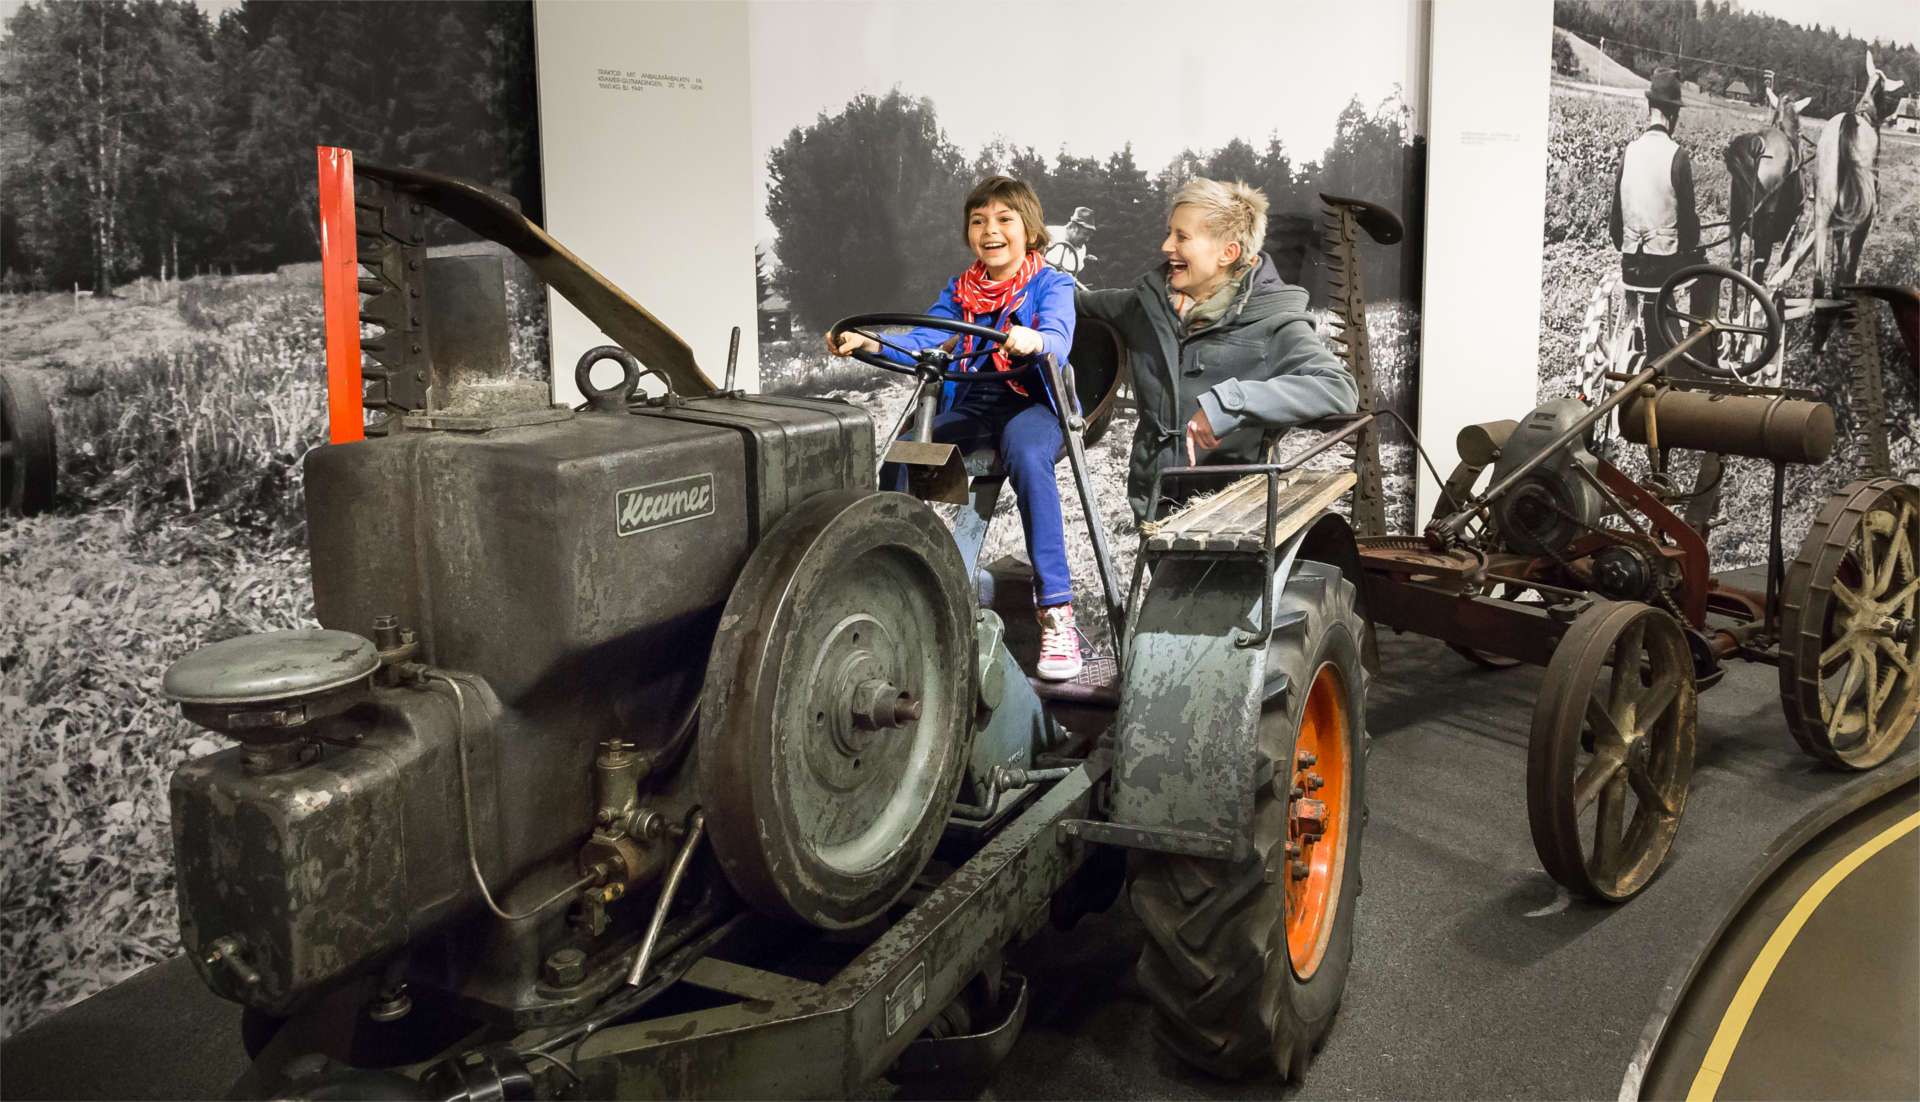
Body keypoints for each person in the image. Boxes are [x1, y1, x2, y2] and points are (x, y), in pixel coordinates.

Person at [827, 175, 1084, 680]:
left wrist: (1035, 340)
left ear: (1029, 230)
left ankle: (1057, 612)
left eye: (1004, 220)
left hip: (1035, 404)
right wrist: (873, 342)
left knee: (1026, 454)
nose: (991, 231)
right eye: (979, 221)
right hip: (978, 404)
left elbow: (1058, 336)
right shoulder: (961, 290)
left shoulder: (1053, 284)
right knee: (904, 455)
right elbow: (930, 335)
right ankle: (884, 583)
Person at [1075, 177, 1356, 522]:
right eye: (1169, 233)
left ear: (1228, 253)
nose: (1166, 246)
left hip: (1235, 514)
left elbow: (1338, 388)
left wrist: (1230, 404)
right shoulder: (1143, 307)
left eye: (1181, 237)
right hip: (1153, 504)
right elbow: (1073, 304)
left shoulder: (1273, 319)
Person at [1608, 67, 1702, 360]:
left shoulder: (1630, 151)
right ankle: (1690, 348)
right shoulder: (1678, 155)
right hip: (1663, 270)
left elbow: (1615, 223)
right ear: (1673, 116)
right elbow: (1688, 225)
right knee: (1702, 267)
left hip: (1630, 265)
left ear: (1650, 108)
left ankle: (1642, 334)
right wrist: (1692, 247)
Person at [1045, 206, 1097, 285]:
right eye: (1085, 234)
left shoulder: (1082, 249)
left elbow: (1074, 274)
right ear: (1073, 227)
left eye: (1089, 236)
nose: (1087, 239)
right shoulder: (1048, 234)